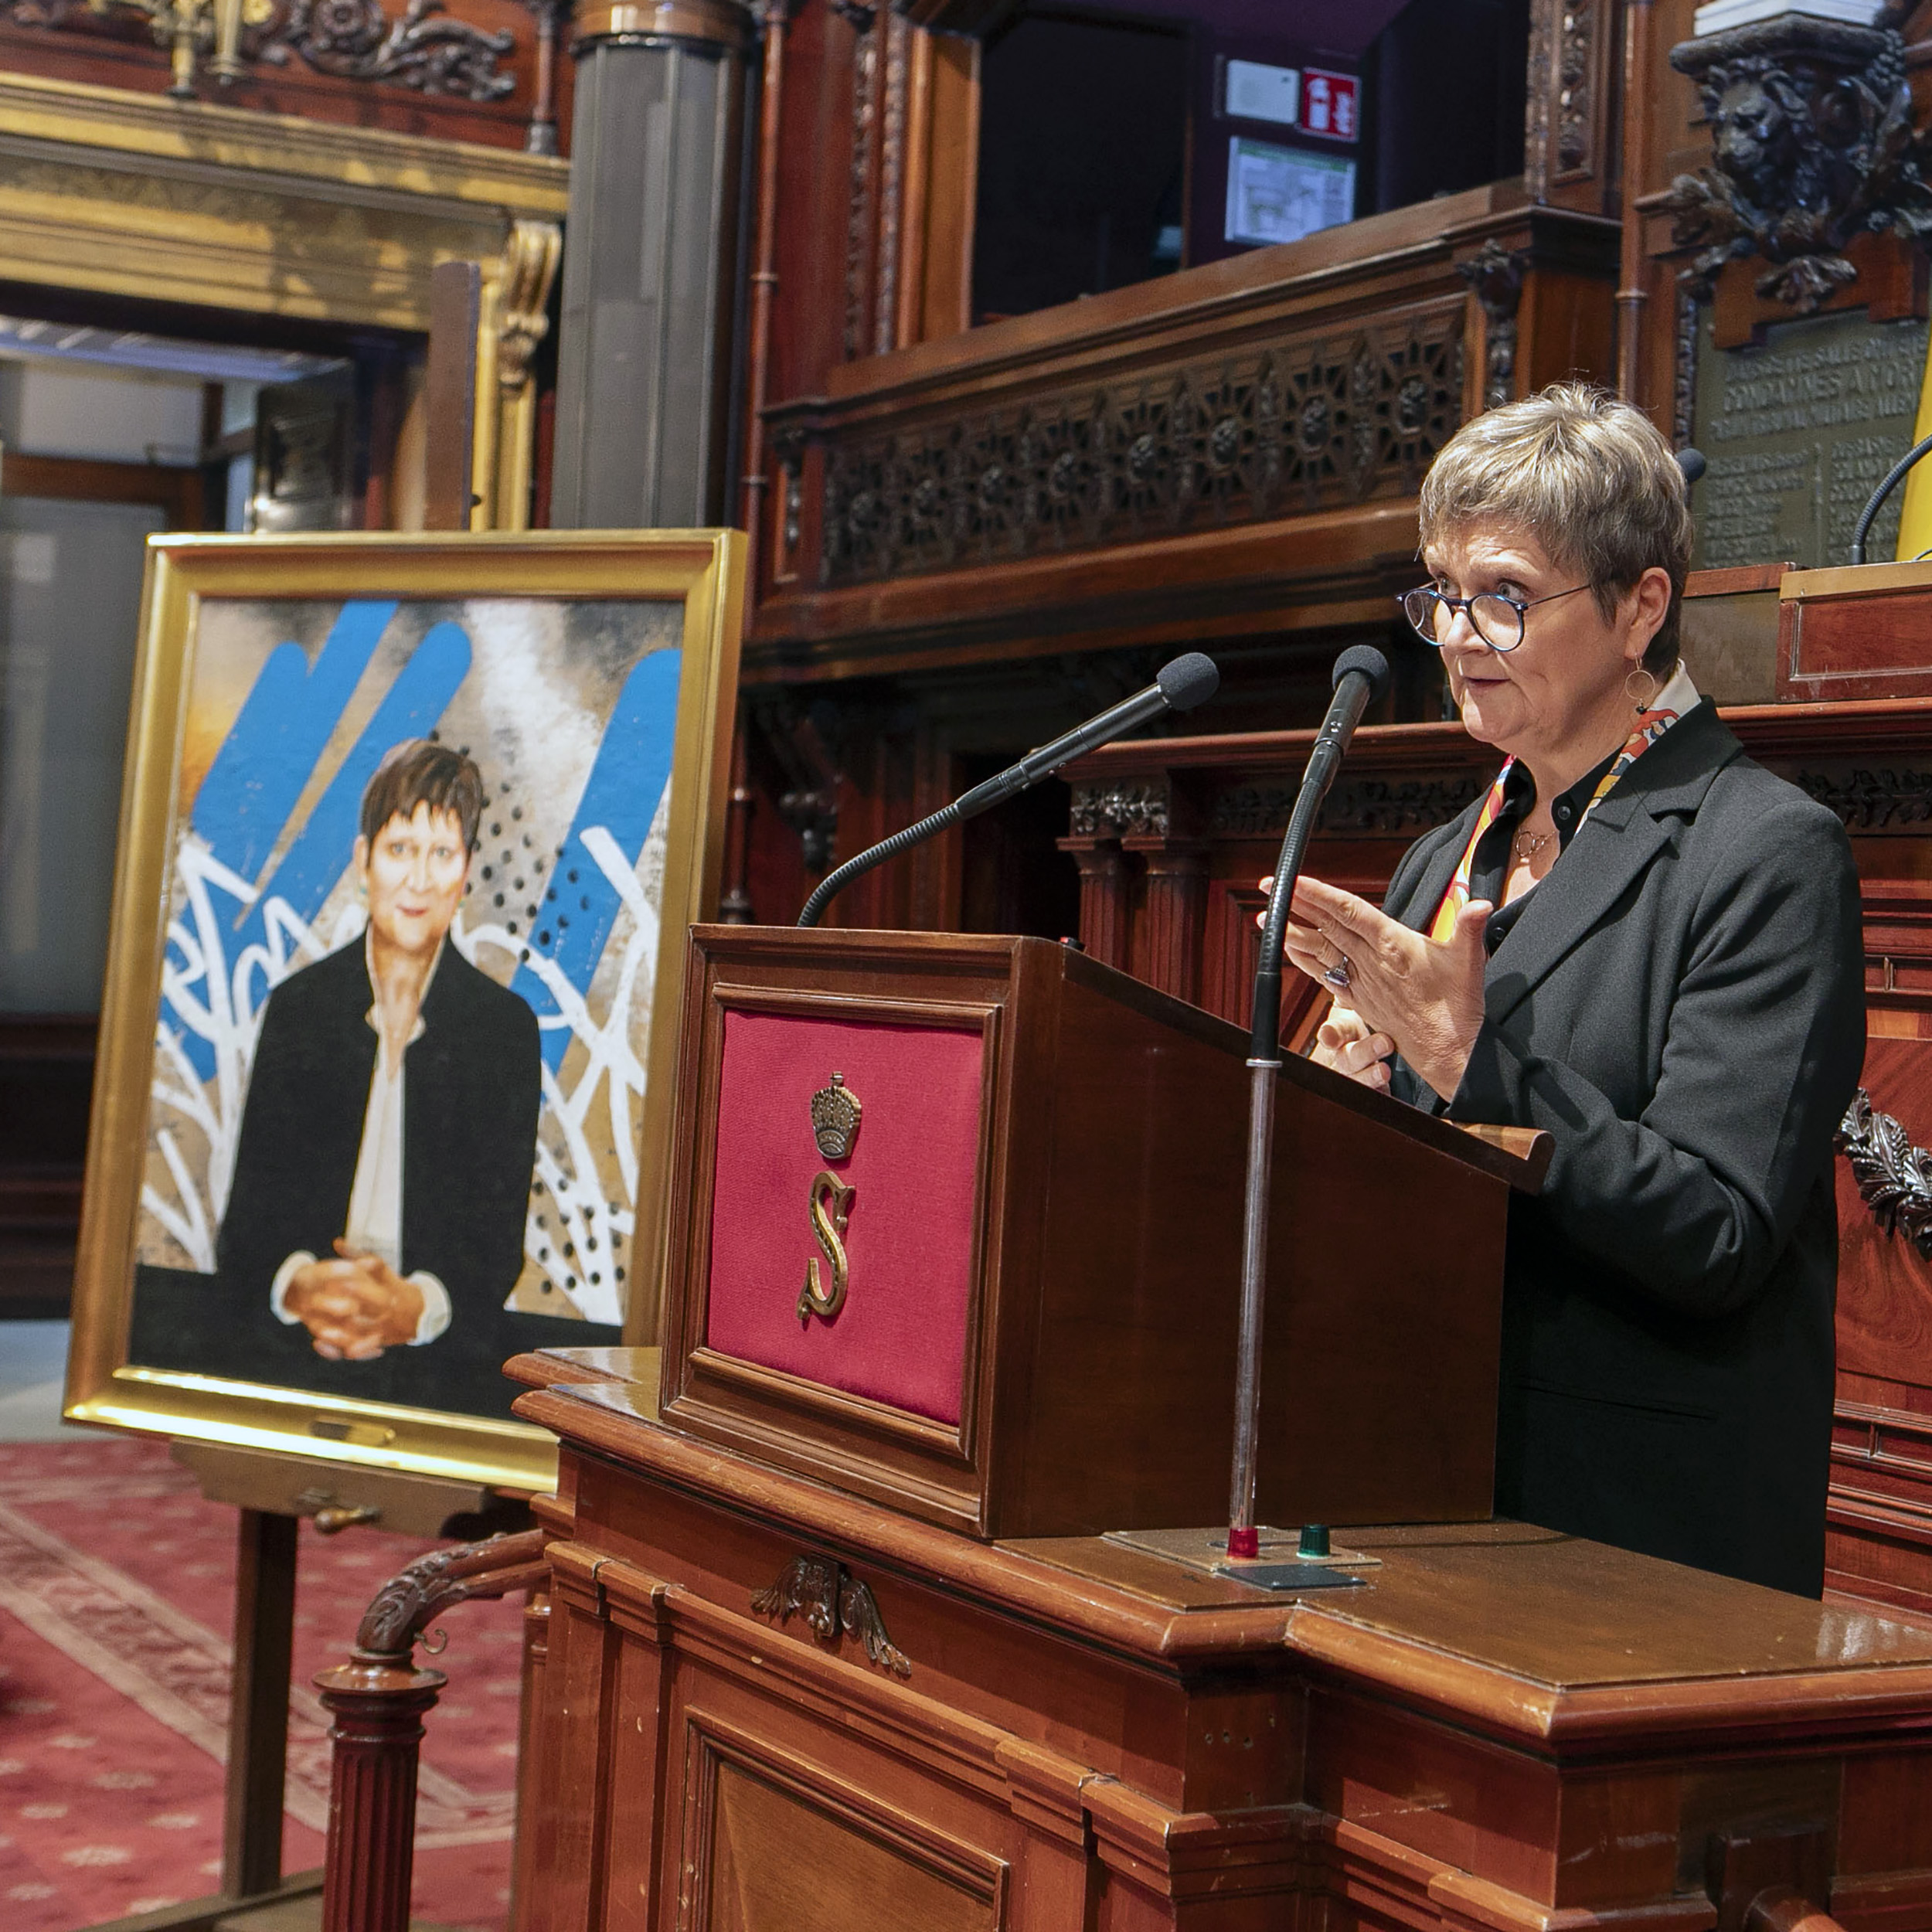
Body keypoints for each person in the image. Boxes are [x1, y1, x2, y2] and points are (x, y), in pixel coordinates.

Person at [1270, 383, 1865, 1597]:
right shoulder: (1448, 855)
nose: (1454, 634)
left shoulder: (1762, 850)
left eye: (1505, 596)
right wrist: (1347, 1104)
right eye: (1441, 593)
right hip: (1424, 1475)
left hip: (1634, 1531)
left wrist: (1464, 1061)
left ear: (1640, 605)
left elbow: (1717, 1234)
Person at [212, 739, 544, 1416]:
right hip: (294, 1340)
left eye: (441, 854)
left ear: (467, 871)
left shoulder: (504, 1029)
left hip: (442, 1353)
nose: (419, 880)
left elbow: (495, 1246)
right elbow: (249, 1223)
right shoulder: (299, 1007)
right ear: (364, 862)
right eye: (400, 851)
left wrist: (414, 1307)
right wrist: (301, 1287)